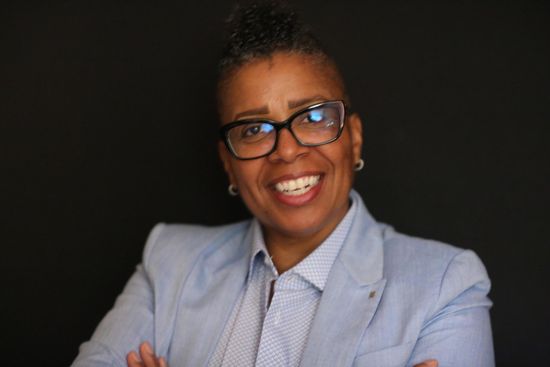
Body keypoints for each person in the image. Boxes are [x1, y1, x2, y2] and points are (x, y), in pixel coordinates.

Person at [72, 1, 494, 366]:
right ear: (228, 163)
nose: (286, 151)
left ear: (354, 137)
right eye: (254, 129)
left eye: (313, 118)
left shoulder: (445, 286)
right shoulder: (169, 263)